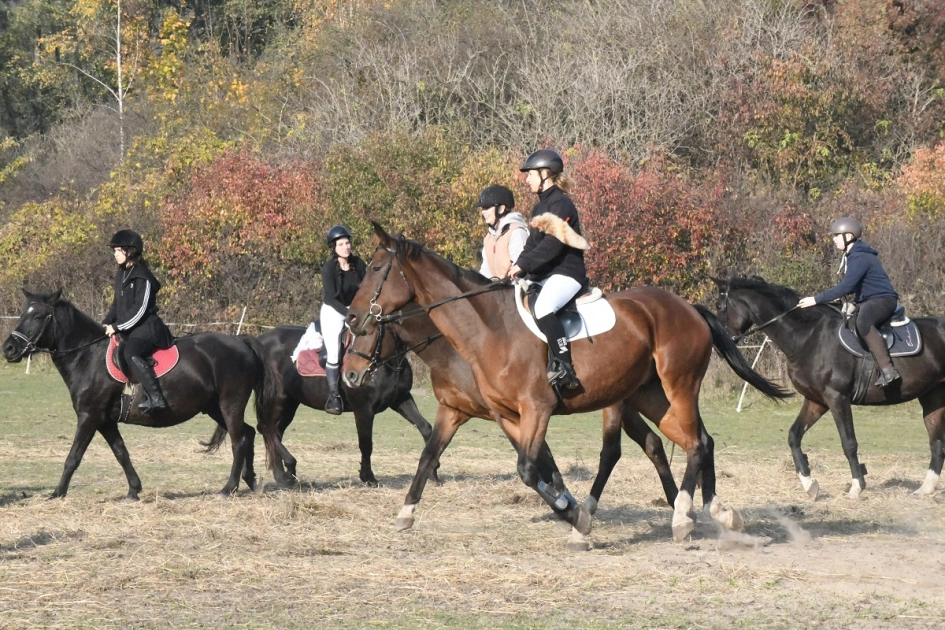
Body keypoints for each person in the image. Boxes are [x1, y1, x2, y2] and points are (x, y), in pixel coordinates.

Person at [508, 149, 589, 390]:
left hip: (567, 273)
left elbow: (552, 245)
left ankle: (565, 369)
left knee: (543, 307)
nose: (527, 179)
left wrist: (525, 265)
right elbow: (532, 245)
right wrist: (516, 267)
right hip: (547, 275)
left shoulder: (561, 204)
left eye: (530, 174)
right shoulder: (540, 207)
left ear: (545, 174)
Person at [797, 217, 901, 387]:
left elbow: (846, 285)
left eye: (837, 235)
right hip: (868, 300)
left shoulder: (859, 257)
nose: (834, 239)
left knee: (863, 322)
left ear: (849, 236)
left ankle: (888, 370)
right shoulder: (853, 255)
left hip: (882, 300)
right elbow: (856, 284)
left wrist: (815, 299)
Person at [103, 229, 174, 412]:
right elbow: (117, 303)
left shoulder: (143, 277)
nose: (115, 254)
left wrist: (117, 326)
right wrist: (106, 322)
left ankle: (156, 397)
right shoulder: (122, 273)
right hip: (132, 328)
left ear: (130, 251)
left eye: (118, 250)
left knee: (131, 353)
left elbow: (140, 310)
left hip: (148, 328)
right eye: (115, 251)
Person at [320, 225, 367, 414]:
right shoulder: (329, 268)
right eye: (341, 244)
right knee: (334, 352)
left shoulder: (359, 264)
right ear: (334, 247)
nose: (346, 247)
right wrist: (348, 314)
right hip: (334, 311)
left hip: (356, 310)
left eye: (347, 243)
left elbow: (366, 290)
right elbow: (330, 298)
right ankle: (334, 397)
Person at [477, 184, 529, 279]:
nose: (483, 212)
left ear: (501, 209)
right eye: (483, 208)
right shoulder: (488, 238)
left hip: (517, 289)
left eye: (487, 207)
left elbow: (520, 273)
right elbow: (485, 272)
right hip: (498, 291)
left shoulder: (517, 232)